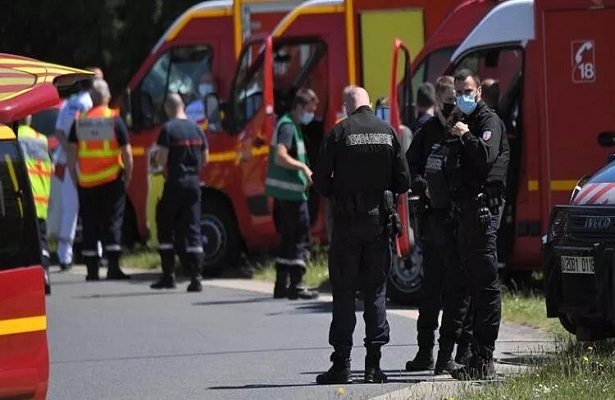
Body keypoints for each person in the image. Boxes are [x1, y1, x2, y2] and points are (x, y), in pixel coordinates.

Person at [313, 87, 411, 384]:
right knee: (376, 292)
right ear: (369, 104)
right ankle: (373, 366)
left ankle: (342, 364)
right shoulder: (389, 132)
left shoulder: (339, 133)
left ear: (347, 106)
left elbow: (320, 183)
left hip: (346, 226)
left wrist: (339, 192)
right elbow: (403, 180)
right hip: (378, 225)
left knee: (343, 292)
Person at [404, 75, 473, 374]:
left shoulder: (465, 128)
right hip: (434, 221)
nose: (452, 106)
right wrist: (423, 185)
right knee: (431, 290)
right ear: (437, 101)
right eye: (447, 100)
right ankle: (425, 352)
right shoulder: (427, 131)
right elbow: (408, 166)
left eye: (455, 100)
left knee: (460, 290)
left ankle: (462, 351)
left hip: (460, 220)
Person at [446, 69, 509, 380]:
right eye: (459, 92)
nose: (463, 97)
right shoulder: (463, 122)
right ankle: (473, 356)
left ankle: (484, 359)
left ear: (479, 92)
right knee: (472, 284)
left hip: (485, 212)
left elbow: (485, 159)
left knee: (485, 285)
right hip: (468, 212)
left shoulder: (488, 123)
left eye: (468, 91)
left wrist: (465, 136)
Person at [67, 79, 134, 281]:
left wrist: (75, 178)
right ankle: (113, 268)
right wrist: (128, 176)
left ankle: (92, 271)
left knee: (89, 224)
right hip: (112, 180)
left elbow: (71, 152)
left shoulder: (80, 120)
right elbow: (127, 152)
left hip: (87, 182)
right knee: (113, 221)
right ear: (107, 97)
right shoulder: (113, 118)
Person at [265, 88, 320, 300]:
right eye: (309, 109)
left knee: (288, 237)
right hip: (291, 194)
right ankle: (296, 284)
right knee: (300, 236)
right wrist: (304, 168)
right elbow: (280, 157)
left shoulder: (291, 125)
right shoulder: (288, 126)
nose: (311, 113)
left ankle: (281, 285)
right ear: (299, 107)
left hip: (286, 193)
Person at [150, 93, 208, 292]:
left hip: (174, 183)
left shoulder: (167, 130)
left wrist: (155, 159)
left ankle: (169, 275)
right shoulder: (197, 129)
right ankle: (196, 277)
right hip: (193, 184)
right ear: (183, 105)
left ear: (167, 108)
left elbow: (162, 160)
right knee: (193, 228)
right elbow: (205, 160)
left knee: (165, 227)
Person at [54, 67, 104, 271]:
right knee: (93, 208)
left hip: (67, 163)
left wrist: (67, 150)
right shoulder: (90, 103)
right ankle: (97, 252)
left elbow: (58, 132)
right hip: (85, 163)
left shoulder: (68, 103)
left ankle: (64, 255)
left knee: (70, 210)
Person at [18, 115, 53, 295]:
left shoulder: (15, 138)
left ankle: (28, 283)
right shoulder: (42, 140)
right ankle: (45, 275)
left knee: (24, 245)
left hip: (21, 202)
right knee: (42, 243)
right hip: (41, 200)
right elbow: (49, 168)